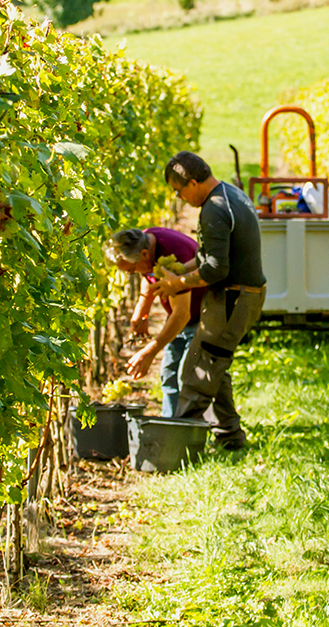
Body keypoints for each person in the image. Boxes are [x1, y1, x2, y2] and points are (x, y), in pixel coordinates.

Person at [149, 151, 266, 449]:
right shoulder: (229, 194)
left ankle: (178, 447)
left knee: (198, 370)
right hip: (240, 296)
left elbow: (216, 269)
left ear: (191, 182)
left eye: (179, 191)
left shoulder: (213, 208)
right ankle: (230, 438)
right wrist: (181, 269)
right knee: (215, 364)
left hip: (232, 299)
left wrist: (179, 283)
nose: (181, 198)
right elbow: (207, 256)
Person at [107, 227, 205, 417]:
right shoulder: (145, 241)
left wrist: (149, 352)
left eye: (132, 270)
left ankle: (191, 432)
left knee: (188, 375)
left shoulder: (174, 253)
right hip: (182, 315)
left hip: (202, 314)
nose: (133, 274)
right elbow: (148, 275)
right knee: (168, 373)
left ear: (144, 254)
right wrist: (142, 311)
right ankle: (172, 427)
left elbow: (182, 314)